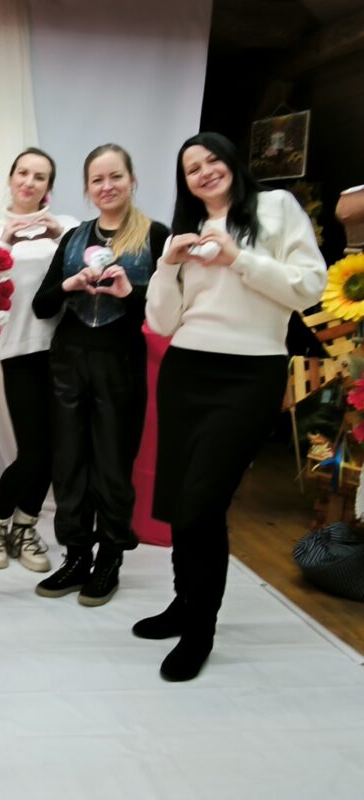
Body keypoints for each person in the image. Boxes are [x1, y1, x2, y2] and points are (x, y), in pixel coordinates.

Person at [141, 132, 326, 681]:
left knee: (203, 503)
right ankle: (183, 603)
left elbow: (310, 288)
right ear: (185, 183)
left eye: (212, 159)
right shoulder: (188, 232)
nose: (204, 171)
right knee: (181, 499)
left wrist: (238, 258)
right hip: (186, 371)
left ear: (231, 161)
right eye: (191, 168)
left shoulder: (276, 207)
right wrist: (166, 265)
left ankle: (200, 629)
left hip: (250, 373)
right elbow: (162, 321)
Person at [32, 143, 169, 606]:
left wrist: (130, 294)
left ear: (132, 180)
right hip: (68, 361)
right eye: (97, 179)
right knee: (69, 463)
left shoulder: (156, 236)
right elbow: (42, 306)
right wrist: (69, 283)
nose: (106, 186)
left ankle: (109, 558)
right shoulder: (74, 238)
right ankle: (76, 556)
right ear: (87, 187)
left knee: (112, 464)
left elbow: (169, 311)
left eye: (115, 176)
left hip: (121, 363)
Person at [0, 148, 77, 572]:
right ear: (11, 178)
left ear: (49, 186)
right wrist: (1, 250)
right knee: (32, 450)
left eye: (40, 176)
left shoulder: (67, 228)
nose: (30, 182)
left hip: (64, 350)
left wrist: (61, 238)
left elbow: (85, 275)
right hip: (17, 350)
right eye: (24, 173)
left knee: (55, 450)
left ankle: (25, 527)